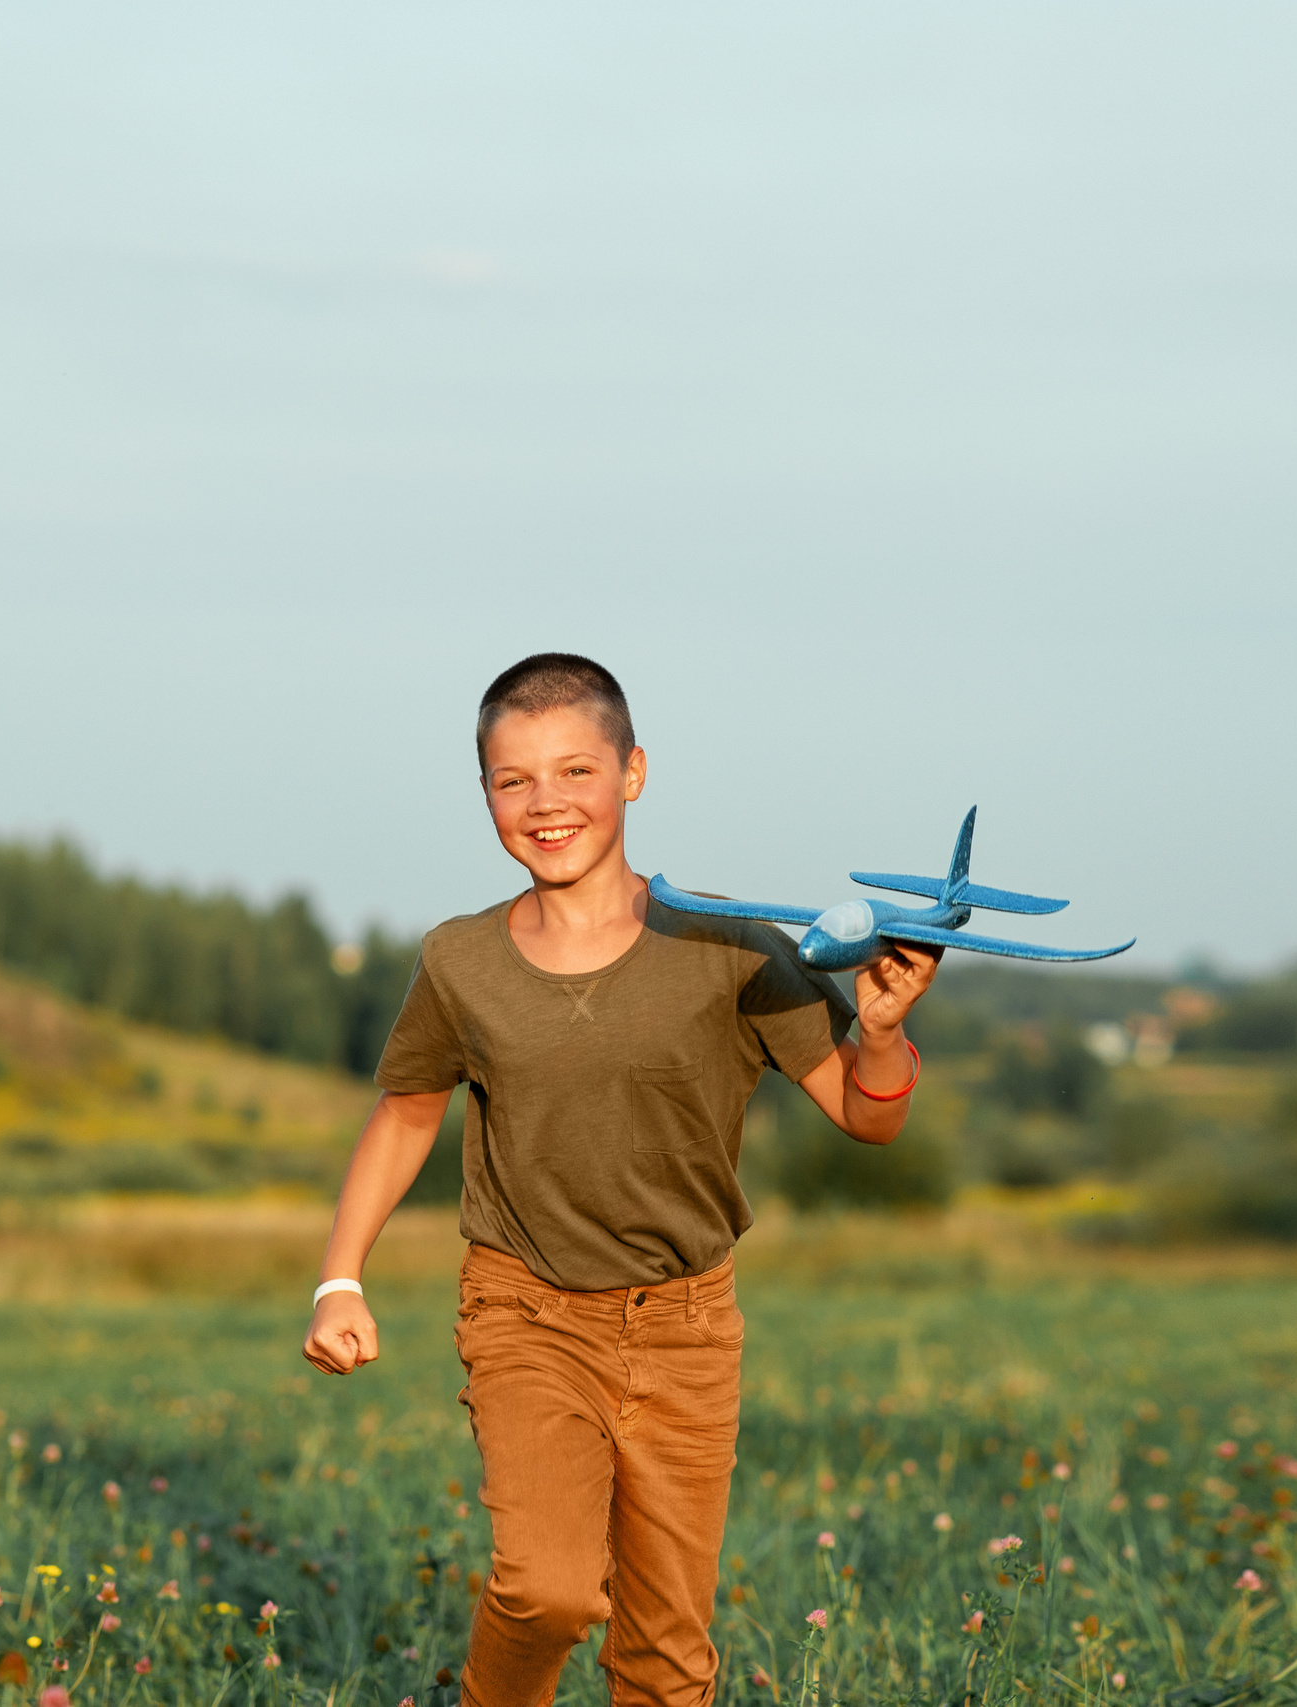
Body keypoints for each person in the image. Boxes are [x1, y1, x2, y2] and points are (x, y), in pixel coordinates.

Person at [300, 653, 938, 1707]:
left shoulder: (729, 946)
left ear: (632, 772)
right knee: (547, 1591)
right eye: (514, 780)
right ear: (486, 795)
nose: (546, 804)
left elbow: (868, 1119)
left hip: (687, 1327)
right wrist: (339, 1279)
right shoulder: (460, 960)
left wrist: (876, 1034)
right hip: (527, 1310)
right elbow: (407, 1111)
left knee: (665, 1652)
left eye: (576, 771)